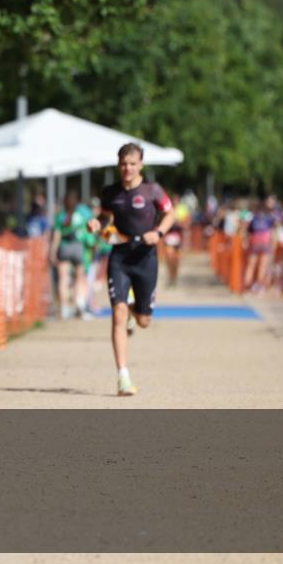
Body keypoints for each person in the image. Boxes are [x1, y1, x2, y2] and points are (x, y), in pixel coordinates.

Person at [87, 143, 175, 396]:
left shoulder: (152, 190)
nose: (128, 168)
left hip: (146, 257)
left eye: (133, 164)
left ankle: (136, 312)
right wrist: (97, 223)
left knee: (144, 320)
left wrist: (158, 233)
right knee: (118, 313)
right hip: (120, 258)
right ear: (118, 164)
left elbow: (170, 215)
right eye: (124, 164)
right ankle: (122, 376)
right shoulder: (110, 192)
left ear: (141, 165)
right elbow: (105, 219)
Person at [51, 191, 93, 320]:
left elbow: (56, 236)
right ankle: (78, 305)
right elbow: (88, 232)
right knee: (79, 278)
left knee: (63, 278)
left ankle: (64, 308)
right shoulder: (82, 215)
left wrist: (53, 251)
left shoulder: (60, 217)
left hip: (64, 247)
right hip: (78, 247)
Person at [244, 197, 277, 293]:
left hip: (255, 241)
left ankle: (247, 285)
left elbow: (249, 231)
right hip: (265, 242)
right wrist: (273, 245)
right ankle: (258, 286)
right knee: (262, 266)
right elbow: (272, 232)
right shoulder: (270, 217)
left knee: (251, 264)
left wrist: (246, 241)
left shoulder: (254, 217)